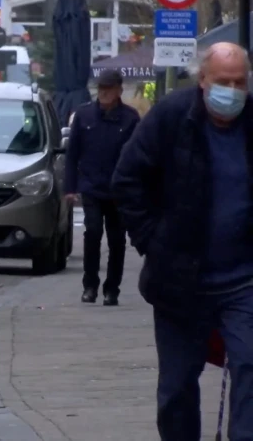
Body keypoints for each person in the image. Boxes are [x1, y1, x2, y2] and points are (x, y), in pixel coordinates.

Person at [112, 42, 253, 440]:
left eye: (239, 82)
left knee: (249, 365)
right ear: (202, 80)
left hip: (243, 280)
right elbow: (127, 180)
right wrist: (153, 242)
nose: (232, 90)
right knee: (176, 387)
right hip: (181, 281)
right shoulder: (172, 117)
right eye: (223, 81)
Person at [64, 69, 140, 306]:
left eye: (109, 89)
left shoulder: (130, 118)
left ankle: (112, 289)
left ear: (119, 90)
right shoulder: (84, 116)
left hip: (119, 191)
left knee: (117, 241)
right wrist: (70, 187)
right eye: (101, 88)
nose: (104, 93)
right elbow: (72, 154)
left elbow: (137, 156)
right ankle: (90, 286)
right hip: (92, 187)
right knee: (93, 232)